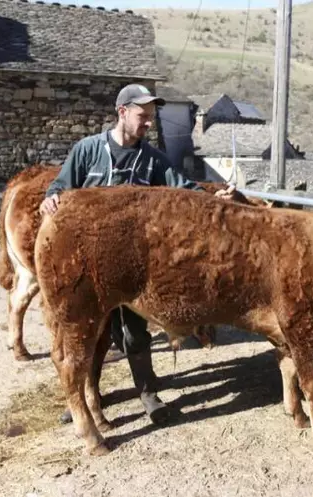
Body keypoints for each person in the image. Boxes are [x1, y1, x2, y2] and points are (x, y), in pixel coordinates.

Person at [40, 83, 234, 426]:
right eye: (143, 116)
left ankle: (147, 393)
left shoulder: (153, 160)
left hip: (132, 267)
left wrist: (214, 200)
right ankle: (86, 398)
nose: (149, 124)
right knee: (90, 333)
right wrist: (51, 197)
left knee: (135, 333)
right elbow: (61, 187)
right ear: (122, 112)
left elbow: (183, 190)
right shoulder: (87, 151)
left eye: (151, 118)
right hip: (91, 264)